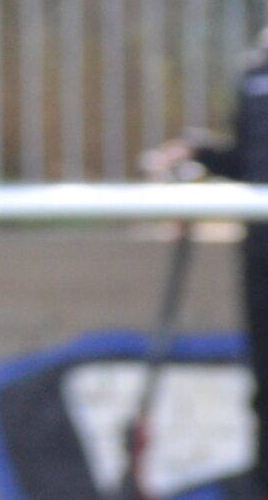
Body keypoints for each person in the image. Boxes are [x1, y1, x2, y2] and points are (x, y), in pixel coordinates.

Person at [147, 31, 268, 484]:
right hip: (259, 248)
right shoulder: (253, 72)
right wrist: (198, 153)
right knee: (262, 372)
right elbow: (248, 161)